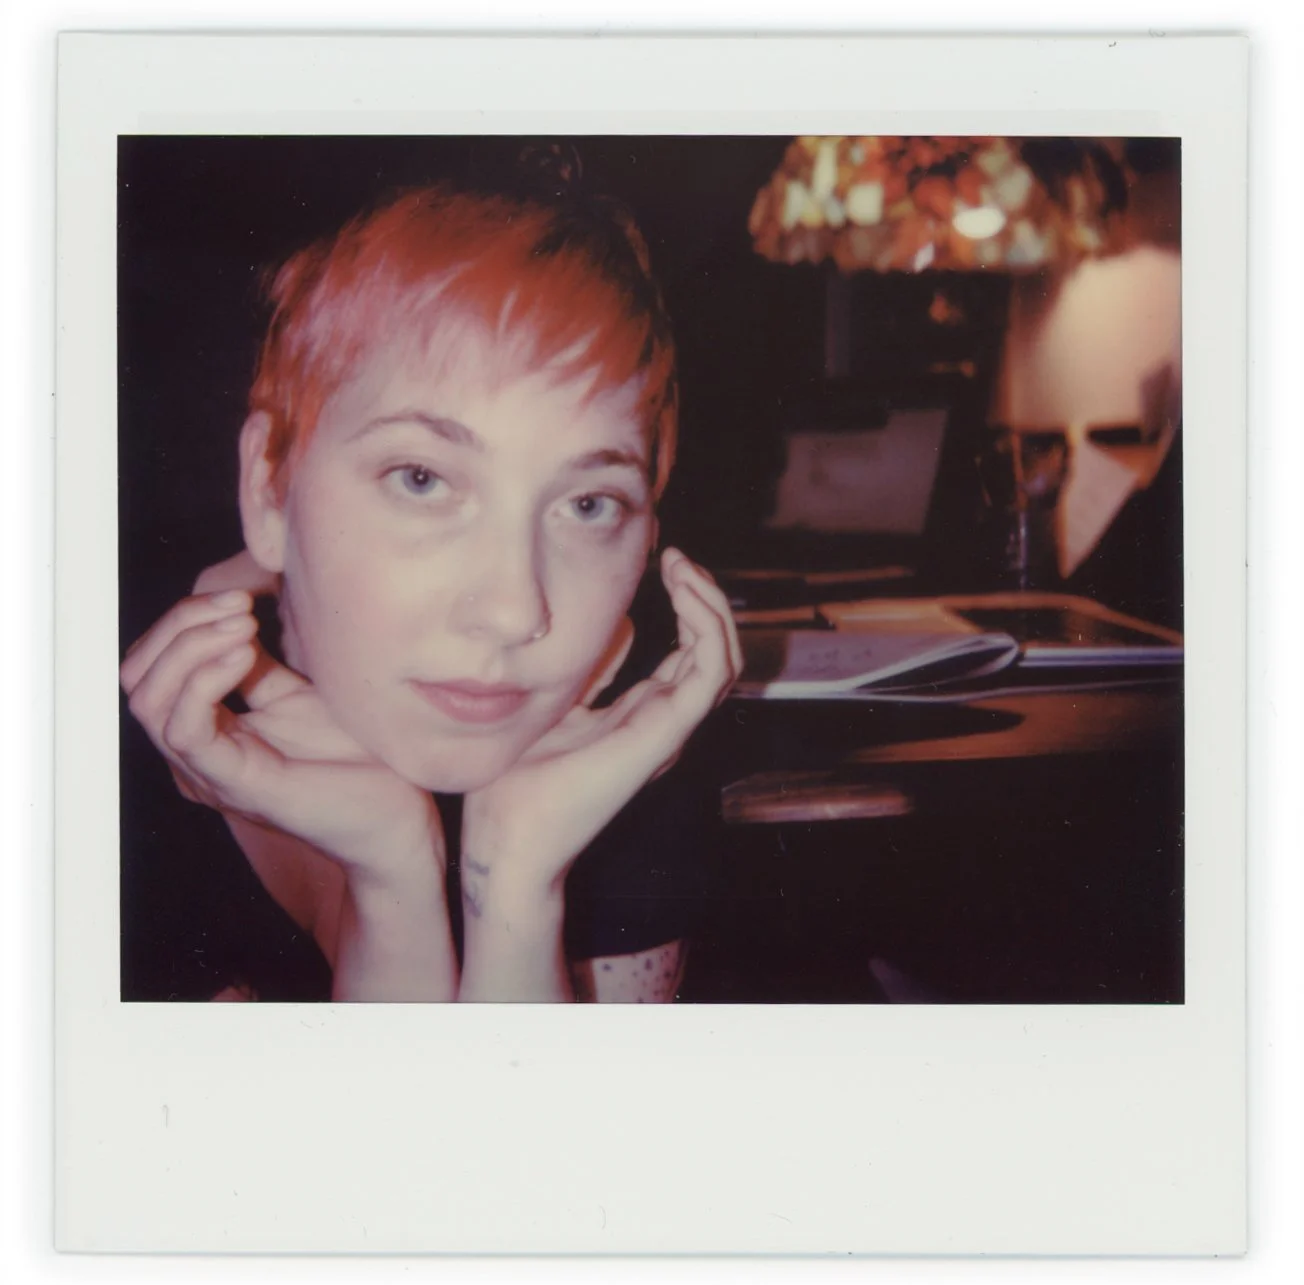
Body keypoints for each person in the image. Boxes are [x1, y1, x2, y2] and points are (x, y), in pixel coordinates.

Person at [118, 167, 741, 1003]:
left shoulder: (626, 742)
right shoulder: (63, 747)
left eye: (589, 504)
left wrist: (506, 887)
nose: (515, 610)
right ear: (268, 487)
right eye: (422, 479)